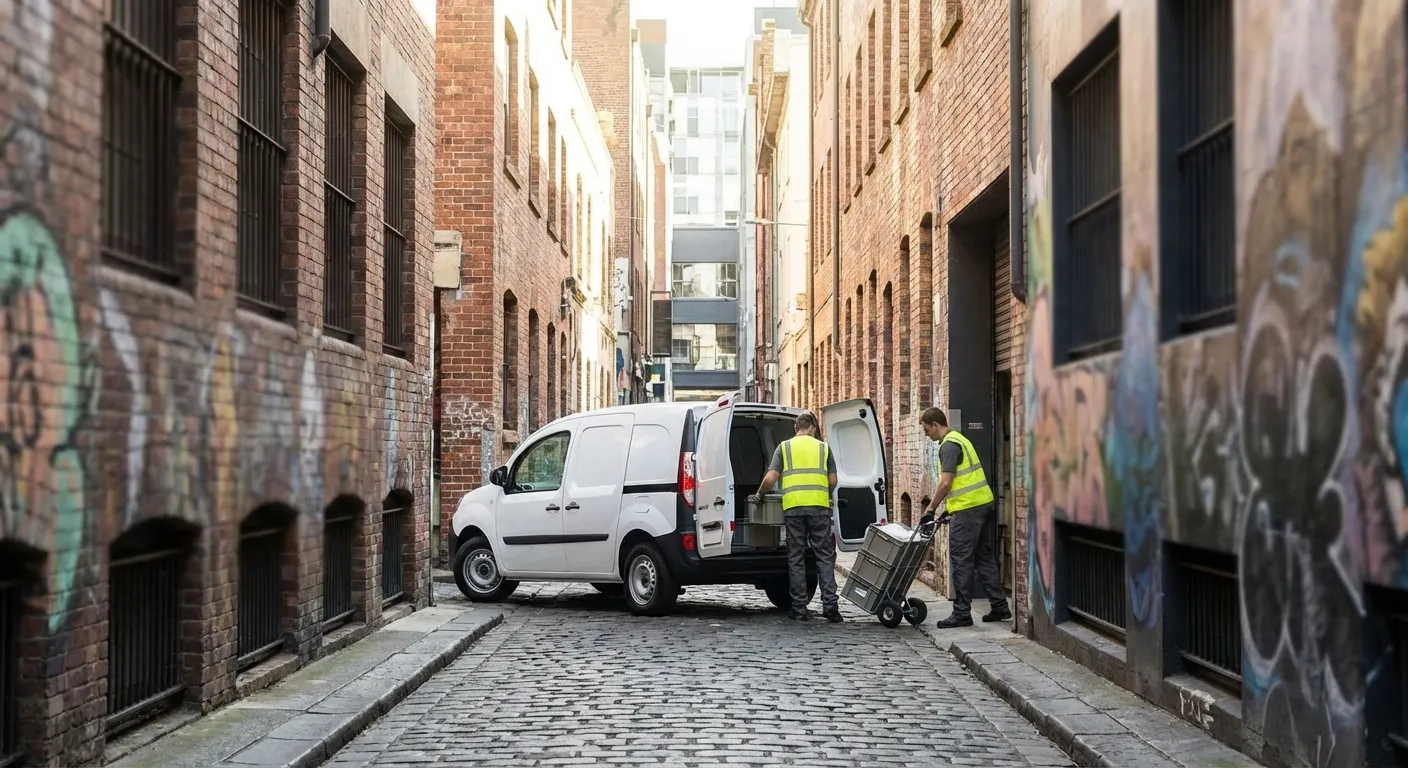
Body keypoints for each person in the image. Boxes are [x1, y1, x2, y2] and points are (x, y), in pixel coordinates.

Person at [917, 406, 1011, 628]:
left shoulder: (949, 445)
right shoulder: (960, 439)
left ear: (935, 425)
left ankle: (961, 614)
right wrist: (949, 508)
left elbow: (946, 482)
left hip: (968, 510)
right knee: (984, 557)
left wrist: (930, 508)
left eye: (925, 428)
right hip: (982, 504)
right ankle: (1000, 606)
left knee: (961, 561)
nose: (925, 433)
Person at [752, 412, 844, 623]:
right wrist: (825, 494)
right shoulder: (823, 448)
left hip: (793, 509)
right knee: (824, 556)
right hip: (819, 508)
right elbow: (833, 480)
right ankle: (831, 607)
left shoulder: (784, 448)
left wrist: (759, 495)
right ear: (812, 428)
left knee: (796, 558)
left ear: (796, 428)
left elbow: (771, 478)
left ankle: (799, 608)